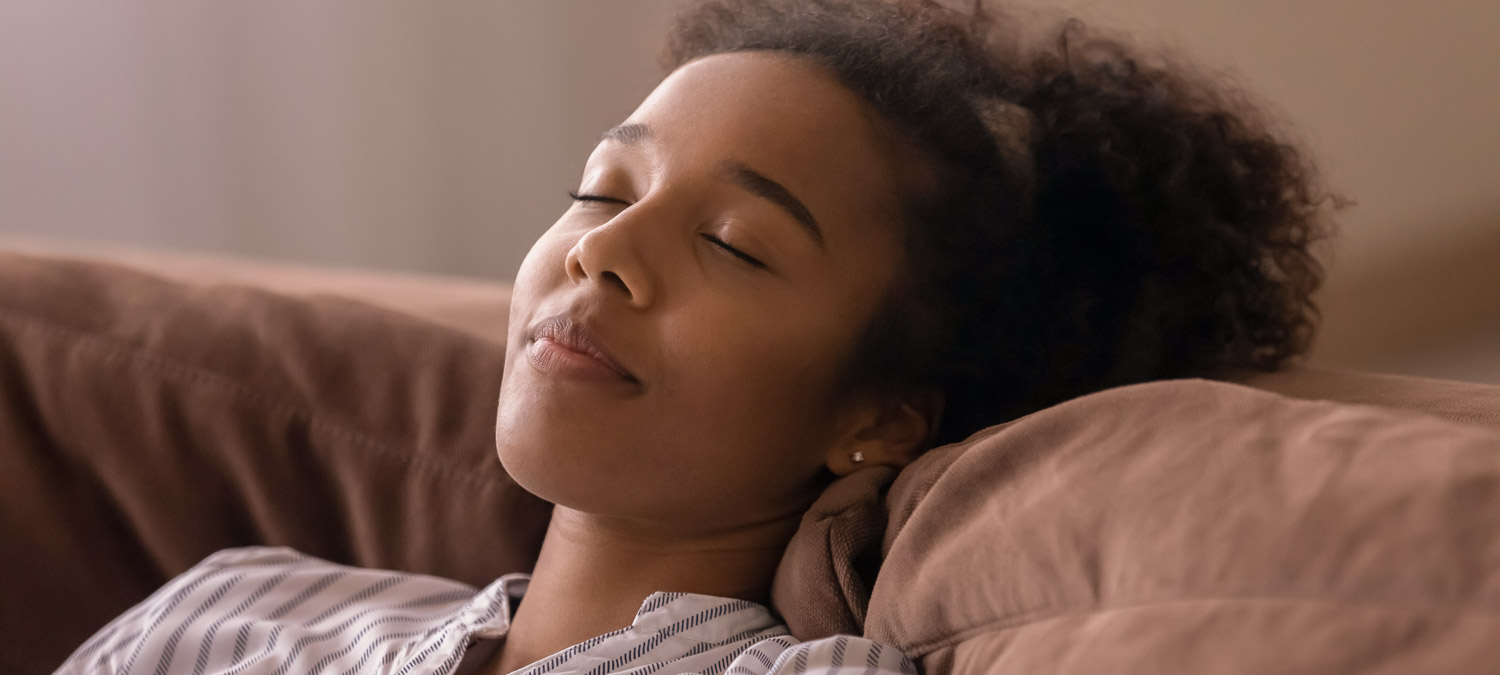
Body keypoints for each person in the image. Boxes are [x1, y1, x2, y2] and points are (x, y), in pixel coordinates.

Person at [55, 0, 1331, 673]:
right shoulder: (239, 613)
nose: (602, 250)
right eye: (605, 189)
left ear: (881, 416)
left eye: (732, 244)